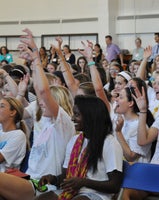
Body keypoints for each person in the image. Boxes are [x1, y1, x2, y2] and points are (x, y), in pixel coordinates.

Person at [37, 95, 123, 200]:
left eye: (77, 115)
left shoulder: (110, 143)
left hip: (98, 195)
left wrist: (84, 182)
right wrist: (53, 179)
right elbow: (65, 177)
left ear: (90, 117)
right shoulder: (74, 141)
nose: (72, 118)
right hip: (72, 192)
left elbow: (114, 186)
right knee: (43, 198)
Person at [18, 28, 75, 180]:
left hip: (47, 183)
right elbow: (39, 90)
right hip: (31, 176)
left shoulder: (62, 120)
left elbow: (43, 91)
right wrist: (32, 60)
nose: (40, 103)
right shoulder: (45, 118)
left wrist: (36, 55)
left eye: (46, 101)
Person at [115, 78, 154, 163]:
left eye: (121, 97)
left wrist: (118, 132)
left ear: (130, 103)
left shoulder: (139, 126)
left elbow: (131, 157)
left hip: (135, 172)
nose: (116, 99)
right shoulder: (121, 119)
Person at [0, 96, 28, 172]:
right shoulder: (1, 131)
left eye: (2, 106)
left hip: (6, 178)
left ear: (12, 112)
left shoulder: (18, 135)